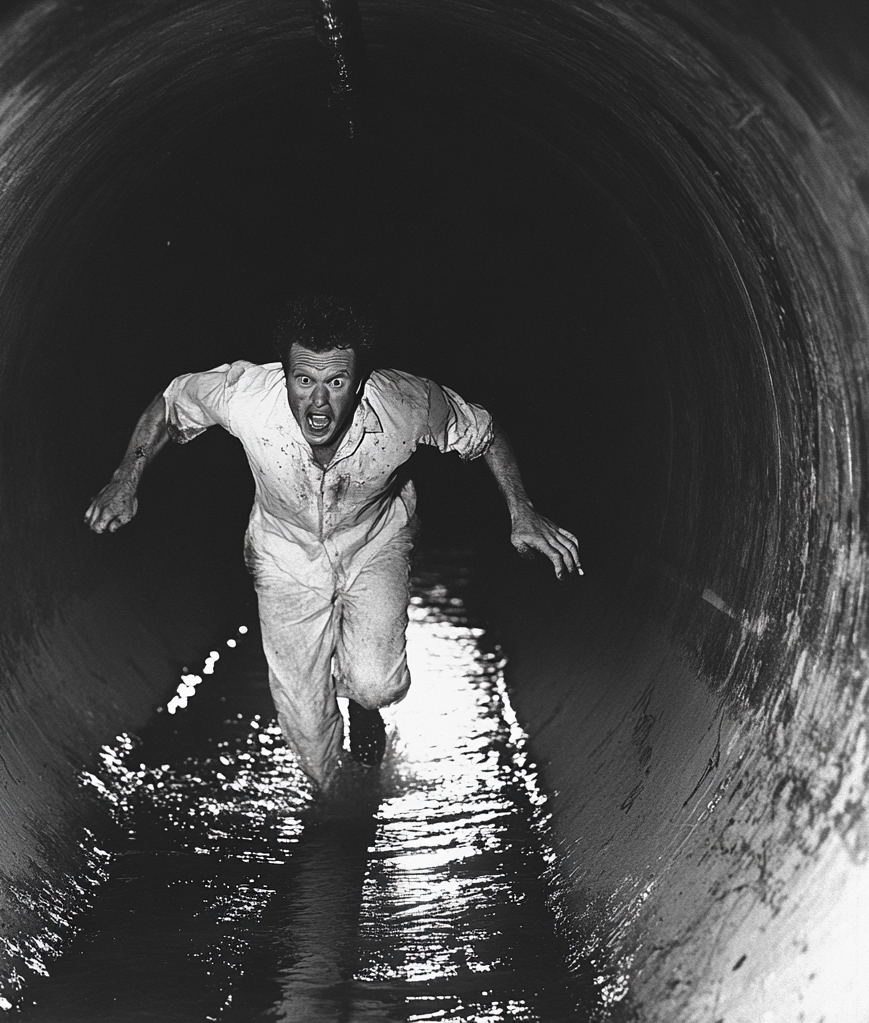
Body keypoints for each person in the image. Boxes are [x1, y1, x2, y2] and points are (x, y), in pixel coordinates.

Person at [85, 296, 581, 791]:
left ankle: (365, 708)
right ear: (284, 376)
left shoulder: (406, 404)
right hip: (284, 555)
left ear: (360, 380)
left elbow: (484, 433)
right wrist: (124, 478)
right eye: (304, 381)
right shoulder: (246, 395)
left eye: (336, 382)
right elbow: (173, 401)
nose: (319, 404)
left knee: (376, 683)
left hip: (375, 541)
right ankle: (334, 802)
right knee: (301, 715)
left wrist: (523, 512)